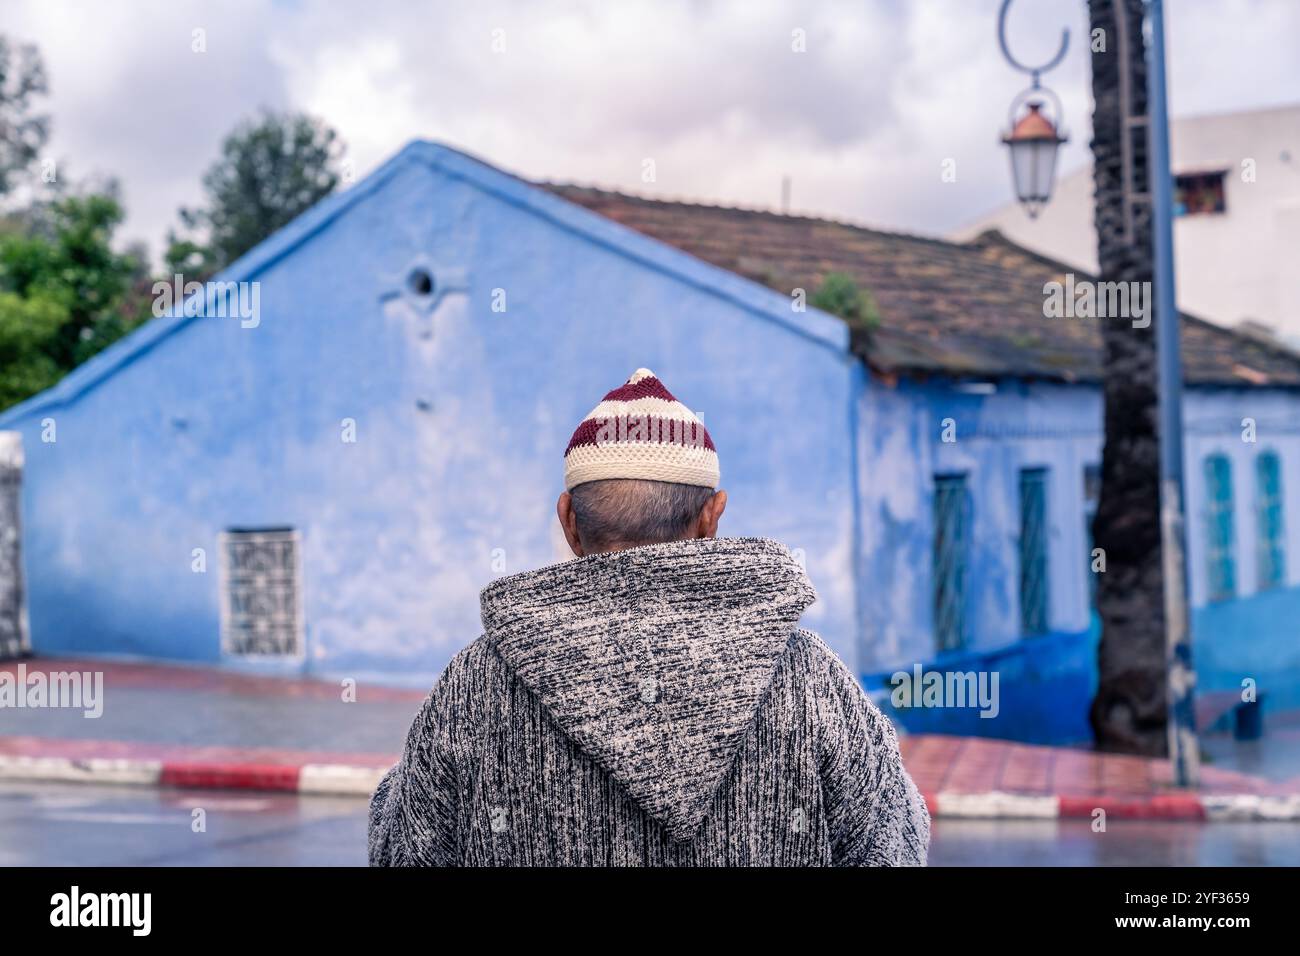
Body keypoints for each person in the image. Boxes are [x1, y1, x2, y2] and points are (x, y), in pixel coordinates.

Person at [369, 368, 930, 866]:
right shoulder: (810, 679)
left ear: (568, 521)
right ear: (713, 517)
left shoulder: (474, 685)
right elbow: (895, 843)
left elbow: (400, 850)